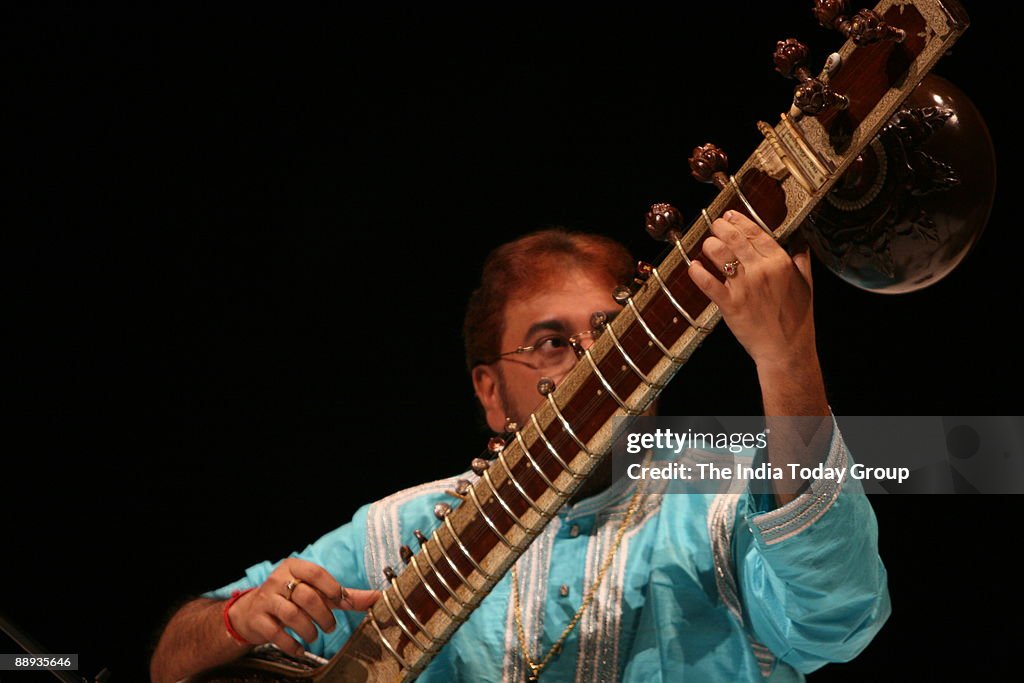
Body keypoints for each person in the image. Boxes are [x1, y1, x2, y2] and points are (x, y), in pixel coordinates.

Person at [151, 212, 890, 682]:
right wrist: (234, 619)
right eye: (548, 343)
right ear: (488, 388)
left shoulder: (724, 501)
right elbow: (170, 662)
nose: (591, 363)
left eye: (613, 333)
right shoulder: (401, 531)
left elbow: (839, 617)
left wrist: (788, 359)